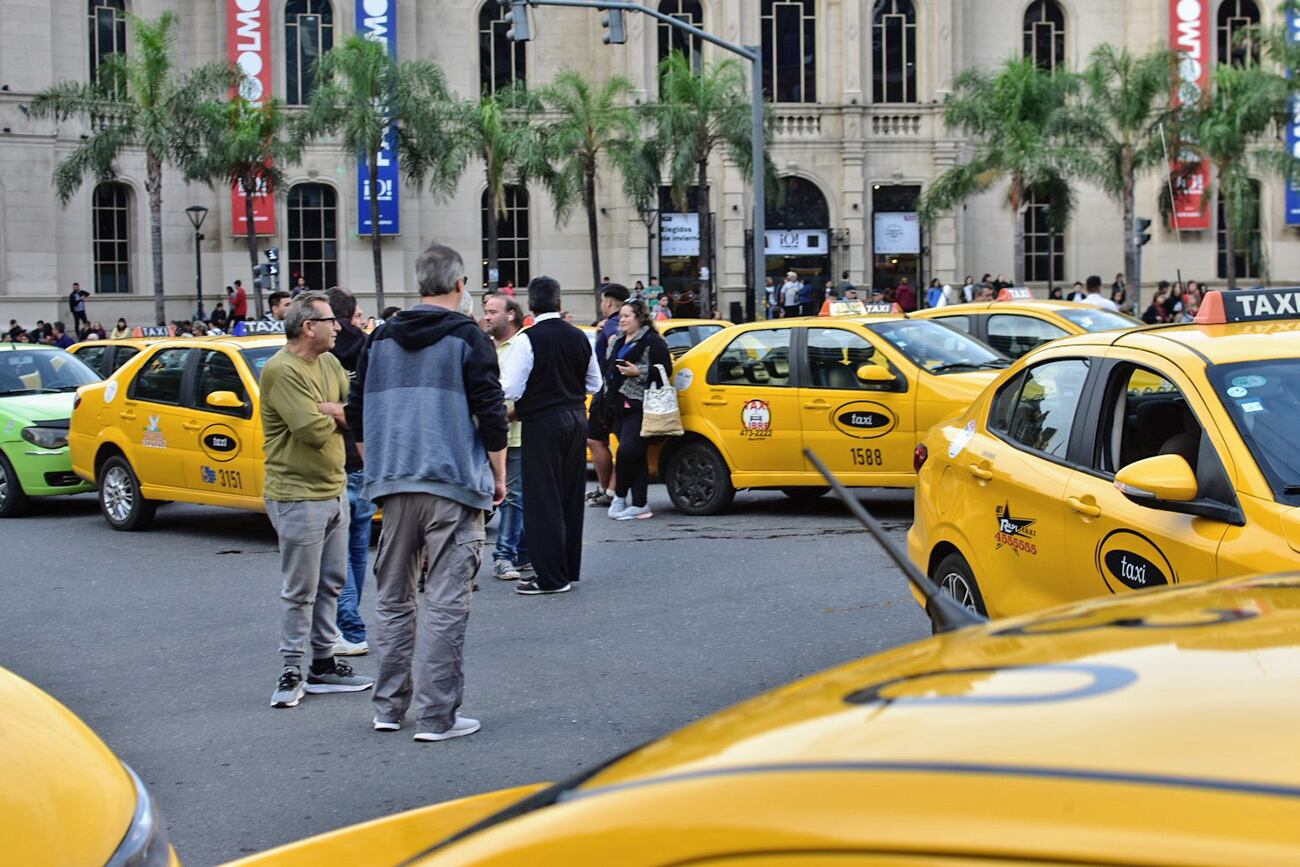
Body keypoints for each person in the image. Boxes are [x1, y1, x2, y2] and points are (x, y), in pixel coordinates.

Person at [346, 242, 506, 740]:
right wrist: (498, 478)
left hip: (393, 487)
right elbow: (492, 415)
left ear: (420, 283)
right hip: (452, 484)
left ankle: (388, 708)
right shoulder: (468, 339)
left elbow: (355, 414)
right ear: (461, 285)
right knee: (445, 600)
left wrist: (380, 467)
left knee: (394, 599)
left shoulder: (379, 340)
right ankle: (438, 716)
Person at [260, 291, 373, 709]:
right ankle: (291, 668)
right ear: (309, 327)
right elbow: (311, 430)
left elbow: (356, 411)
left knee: (331, 583)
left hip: (333, 487)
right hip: (296, 494)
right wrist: (334, 413)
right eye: (331, 321)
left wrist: (334, 409)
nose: (339, 327)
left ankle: (323, 664)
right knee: (300, 589)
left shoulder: (328, 362)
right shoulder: (281, 370)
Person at [500, 275, 601, 595]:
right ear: (559, 302)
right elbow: (595, 383)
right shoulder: (580, 337)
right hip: (575, 416)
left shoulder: (528, 339)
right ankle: (568, 567)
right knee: (570, 496)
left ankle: (550, 576)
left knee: (542, 500)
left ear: (531, 305)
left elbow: (511, 388)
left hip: (543, 420)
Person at [325, 286, 375, 658]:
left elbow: (338, 409)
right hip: (364, 458)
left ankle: (350, 628)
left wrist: (333, 409)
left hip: (337, 461)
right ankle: (351, 619)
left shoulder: (321, 351)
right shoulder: (369, 346)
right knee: (356, 549)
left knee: (339, 552)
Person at [603, 300, 671, 521]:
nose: (621, 320)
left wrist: (638, 371)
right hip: (618, 404)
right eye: (621, 316)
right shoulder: (618, 340)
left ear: (639, 318)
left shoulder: (652, 340)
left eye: (626, 316)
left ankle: (619, 496)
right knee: (636, 455)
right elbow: (608, 368)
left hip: (642, 405)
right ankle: (640, 503)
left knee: (626, 452)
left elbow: (664, 370)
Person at [483, 293, 530, 581]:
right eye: (485, 311)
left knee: (513, 497)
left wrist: (504, 417)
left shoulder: (522, 345)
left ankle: (504, 556)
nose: (486, 316)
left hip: (514, 434)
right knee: (509, 497)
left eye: (492, 311)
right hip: (487, 434)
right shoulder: (483, 346)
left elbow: (527, 392)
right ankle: (522, 553)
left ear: (511, 314)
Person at [586, 284, 630, 508]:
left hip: (608, 393)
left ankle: (609, 489)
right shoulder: (615, 325)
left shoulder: (612, 326)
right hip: (612, 392)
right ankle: (608, 489)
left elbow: (616, 350)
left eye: (603, 301)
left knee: (598, 440)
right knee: (609, 441)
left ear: (610, 302)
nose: (602, 305)